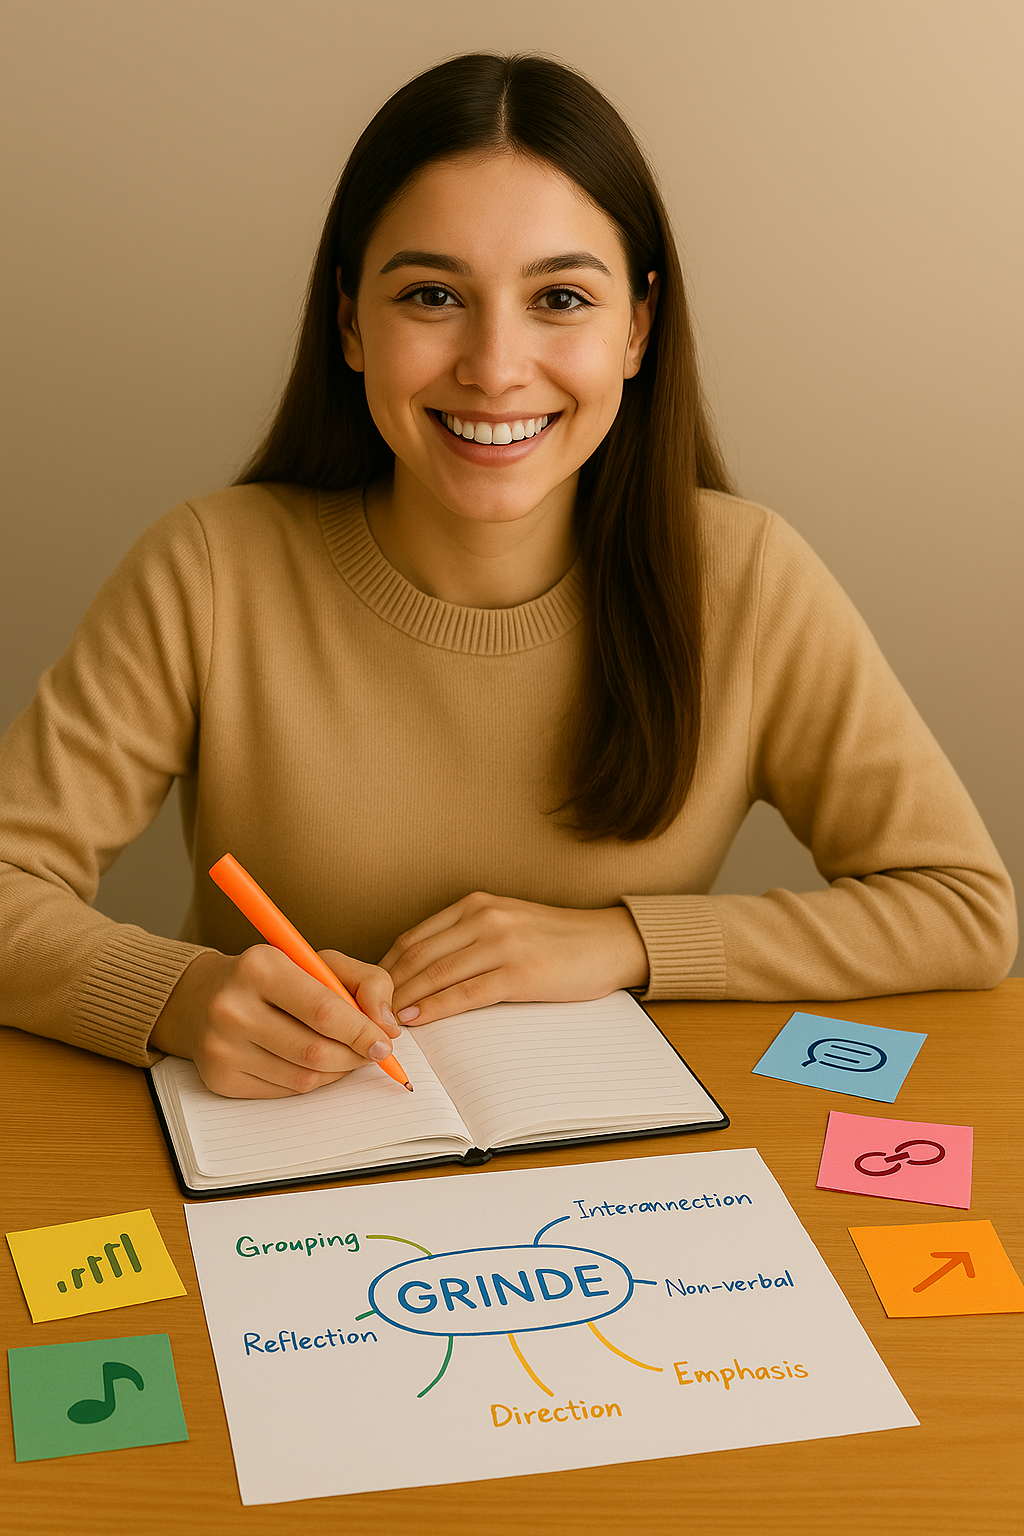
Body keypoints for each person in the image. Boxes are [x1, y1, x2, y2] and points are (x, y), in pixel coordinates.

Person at [0, 53, 1015, 1099]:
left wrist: (625, 942)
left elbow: (960, 909)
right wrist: (175, 993)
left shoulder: (748, 577)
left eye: (560, 297)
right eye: (433, 294)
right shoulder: (208, 569)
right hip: (281, 1160)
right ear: (351, 320)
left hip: (613, 1172)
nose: (493, 366)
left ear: (638, 327)